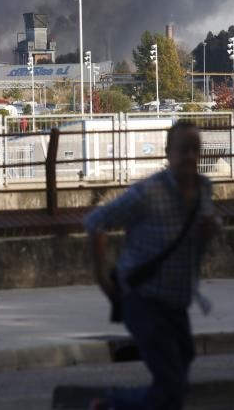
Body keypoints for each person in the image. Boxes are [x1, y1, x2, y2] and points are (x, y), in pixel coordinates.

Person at [83, 120, 218, 410]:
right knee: (172, 388)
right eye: (184, 150)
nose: (191, 156)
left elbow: (200, 238)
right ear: (168, 152)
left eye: (196, 149)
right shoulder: (149, 192)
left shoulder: (203, 190)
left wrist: (207, 232)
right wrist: (104, 280)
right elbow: (96, 222)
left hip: (176, 302)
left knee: (179, 374)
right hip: (143, 300)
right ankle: (110, 406)